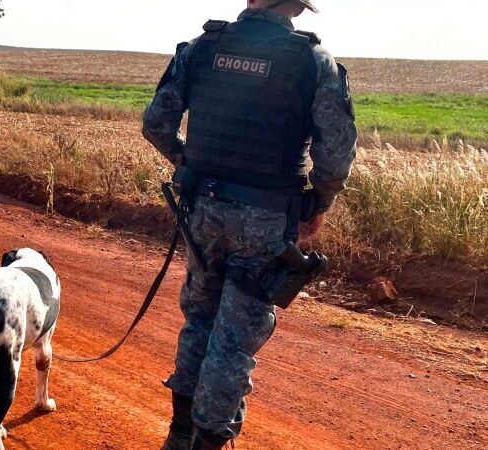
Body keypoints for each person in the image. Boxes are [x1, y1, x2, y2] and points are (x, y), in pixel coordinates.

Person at [142, 1, 357, 449]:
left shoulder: (203, 47)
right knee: (233, 341)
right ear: (295, 8)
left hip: (201, 210)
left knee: (200, 318)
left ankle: (180, 436)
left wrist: (189, 163)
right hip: (265, 220)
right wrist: (316, 203)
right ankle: (206, 441)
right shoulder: (313, 62)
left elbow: (156, 123)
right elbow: (335, 156)